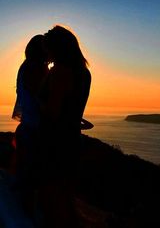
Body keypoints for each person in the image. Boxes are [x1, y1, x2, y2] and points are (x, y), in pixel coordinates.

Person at [37, 25, 91, 228]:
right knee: (66, 196)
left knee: (53, 197)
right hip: (72, 139)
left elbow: (52, 112)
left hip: (55, 142)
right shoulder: (84, 72)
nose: (47, 54)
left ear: (58, 49)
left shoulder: (61, 72)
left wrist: (36, 102)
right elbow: (72, 109)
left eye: (49, 49)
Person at [12, 35, 49, 217]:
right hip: (34, 132)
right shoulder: (36, 69)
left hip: (28, 129)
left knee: (26, 178)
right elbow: (42, 102)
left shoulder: (26, 66)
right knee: (31, 180)